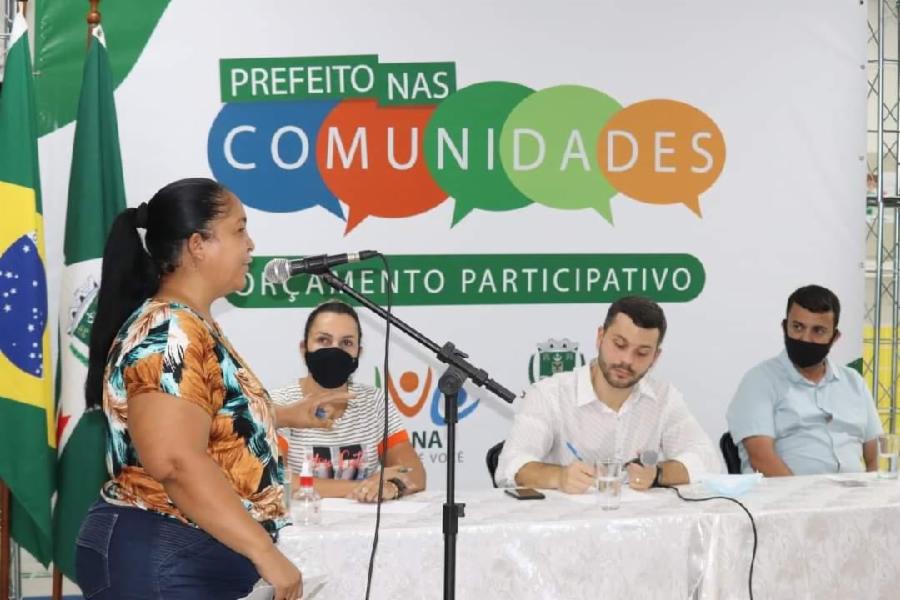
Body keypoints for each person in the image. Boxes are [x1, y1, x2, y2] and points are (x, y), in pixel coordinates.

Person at [76, 178, 347, 600]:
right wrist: (263, 551)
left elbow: (203, 416)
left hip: (182, 550)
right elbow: (174, 459)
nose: (251, 244)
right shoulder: (171, 331)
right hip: (163, 553)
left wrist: (284, 415)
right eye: (239, 230)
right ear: (198, 245)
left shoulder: (189, 323)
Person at [496, 296, 720, 493]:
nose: (627, 360)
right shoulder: (550, 395)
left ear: (655, 357)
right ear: (600, 337)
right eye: (619, 344)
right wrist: (559, 477)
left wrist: (659, 474)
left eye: (642, 353)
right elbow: (511, 465)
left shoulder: (664, 397)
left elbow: (706, 459)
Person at [271, 300, 426, 502]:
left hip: (364, 529)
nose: (334, 351)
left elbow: (414, 473)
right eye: (323, 340)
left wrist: (392, 486)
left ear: (358, 353)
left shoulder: (374, 402)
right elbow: (277, 480)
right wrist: (366, 486)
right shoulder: (282, 404)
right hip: (304, 525)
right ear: (304, 348)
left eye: (346, 343)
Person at [726, 285, 882, 476]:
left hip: (854, 496)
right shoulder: (760, 381)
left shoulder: (854, 382)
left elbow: (875, 456)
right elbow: (761, 458)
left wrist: (874, 496)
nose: (805, 338)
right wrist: (804, 500)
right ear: (785, 327)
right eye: (798, 327)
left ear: (834, 337)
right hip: (787, 500)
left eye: (818, 331)